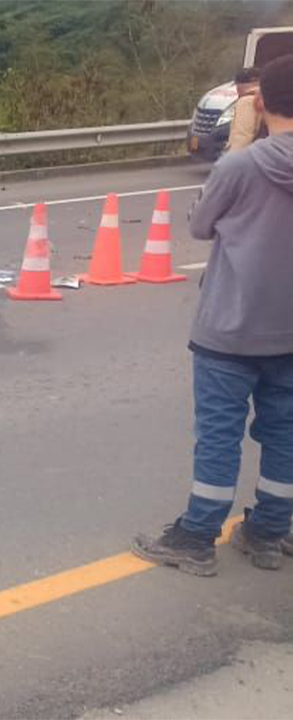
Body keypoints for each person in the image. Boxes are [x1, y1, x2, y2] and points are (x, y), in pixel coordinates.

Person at [131, 55, 293, 576]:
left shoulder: (239, 166)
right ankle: (269, 532)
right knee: (286, 432)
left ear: (260, 100)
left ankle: (197, 537)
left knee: (220, 433)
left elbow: (201, 226)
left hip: (230, 328)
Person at [226, 66, 266, 154]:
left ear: (240, 85)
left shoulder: (246, 101)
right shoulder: (267, 98)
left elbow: (243, 135)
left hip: (247, 155)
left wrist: (231, 159)